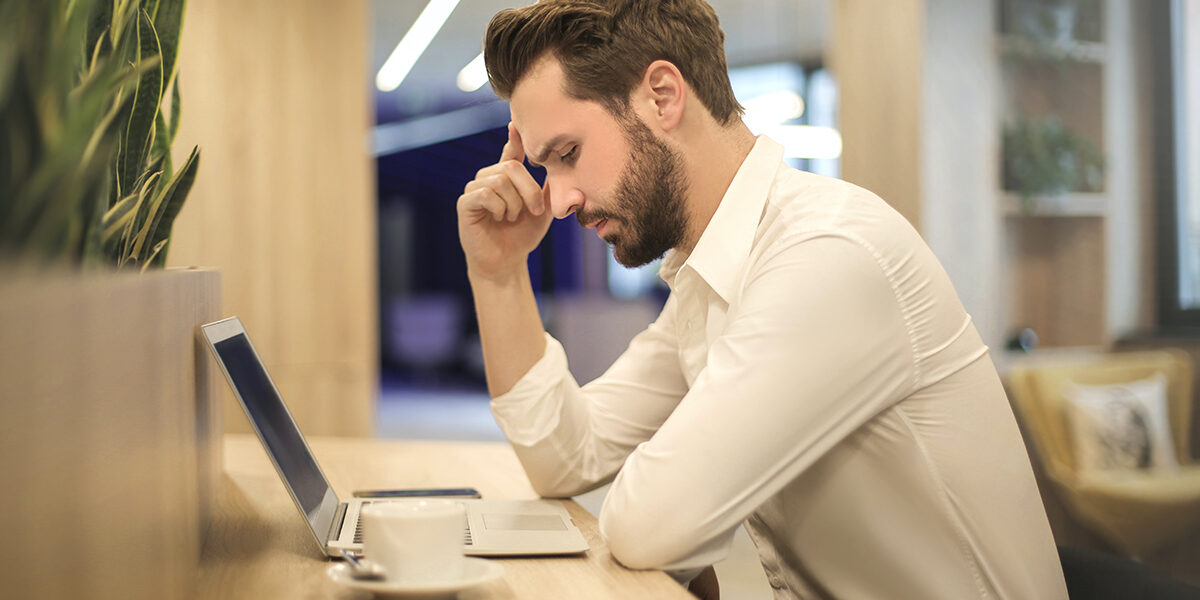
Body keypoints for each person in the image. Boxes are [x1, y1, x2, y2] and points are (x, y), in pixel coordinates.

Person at [455, 1, 1068, 598]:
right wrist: (500, 273)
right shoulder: (712, 275)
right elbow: (567, 458)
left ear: (663, 96)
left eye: (567, 155)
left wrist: (670, 520)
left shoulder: (826, 253)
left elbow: (650, 524)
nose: (558, 200)